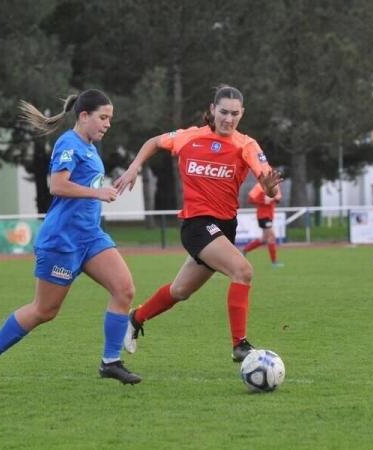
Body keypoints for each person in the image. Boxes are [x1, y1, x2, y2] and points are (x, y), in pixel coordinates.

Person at [0, 89, 141, 391]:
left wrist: (108, 188)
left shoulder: (90, 147)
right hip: (61, 241)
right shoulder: (68, 142)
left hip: (90, 237)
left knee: (124, 289)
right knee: (44, 310)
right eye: (103, 118)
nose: (107, 124)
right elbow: (57, 185)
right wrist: (97, 192)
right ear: (84, 116)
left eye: (110, 119)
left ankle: (110, 361)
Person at [114, 85, 283, 362]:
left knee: (180, 291)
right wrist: (134, 167)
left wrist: (269, 188)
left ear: (242, 114)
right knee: (243, 270)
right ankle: (240, 345)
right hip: (196, 224)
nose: (229, 119)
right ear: (213, 109)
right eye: (224, 112)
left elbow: (271, 189)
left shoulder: (247, 145)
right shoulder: (189, 137)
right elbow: (154, 142)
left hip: (224, 228)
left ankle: (135, 318)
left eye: (235, 114)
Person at [242, 181, 283, 267]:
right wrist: (262, 200)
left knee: (264, 239)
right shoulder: (260, 186)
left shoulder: (275, 185)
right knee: (271, 237)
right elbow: (250, 199)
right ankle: (274, 262)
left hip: (269, 216)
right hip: (263, 216)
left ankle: (245, 250)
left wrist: (273, 198)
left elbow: (279, 197)